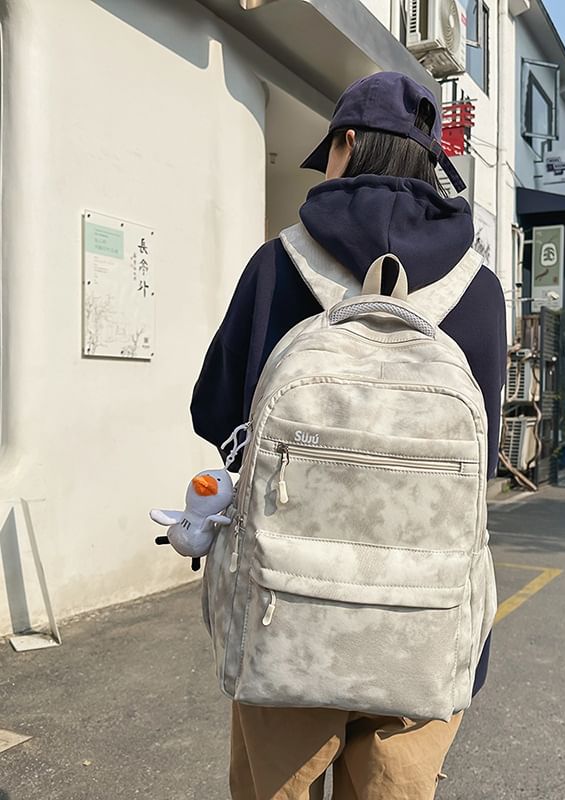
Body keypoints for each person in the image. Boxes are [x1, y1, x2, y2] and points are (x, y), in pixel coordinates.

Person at [191, 71, 506, 800]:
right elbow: (482, 459)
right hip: (423, 625)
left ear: (349, 144)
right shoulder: (479, 287)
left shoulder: (278, 264)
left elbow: (216, 413)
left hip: (288, 614)